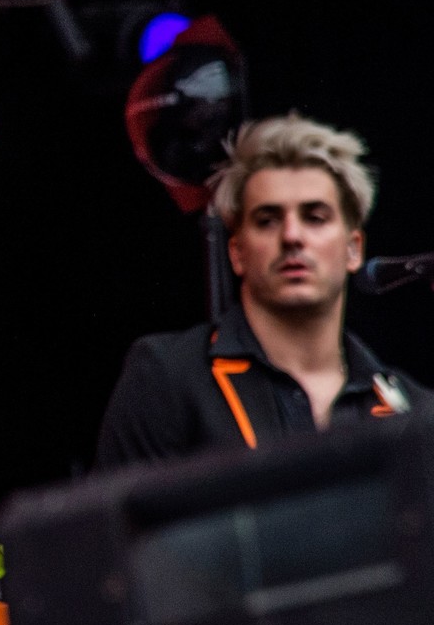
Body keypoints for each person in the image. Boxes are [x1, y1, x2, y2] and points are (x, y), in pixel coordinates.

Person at [97, 114, 425, 468]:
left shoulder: (415, 410)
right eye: (268, 220)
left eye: (315, 217)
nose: (292, 236)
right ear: (237, 252)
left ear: (353, 249)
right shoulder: (167, 376)